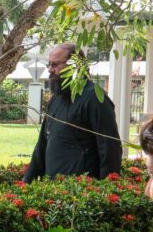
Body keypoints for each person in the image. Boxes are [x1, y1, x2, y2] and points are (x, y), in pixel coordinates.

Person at [23, 43, 122, 183]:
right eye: (49, 65)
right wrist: (27, 180)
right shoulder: (56, 99)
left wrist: (107, 188)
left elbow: (109, 148)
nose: (50, 70)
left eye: (55, 64)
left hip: (82, 192)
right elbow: (43, 144)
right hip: (55, 191)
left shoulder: (94, 97)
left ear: (75, 65)